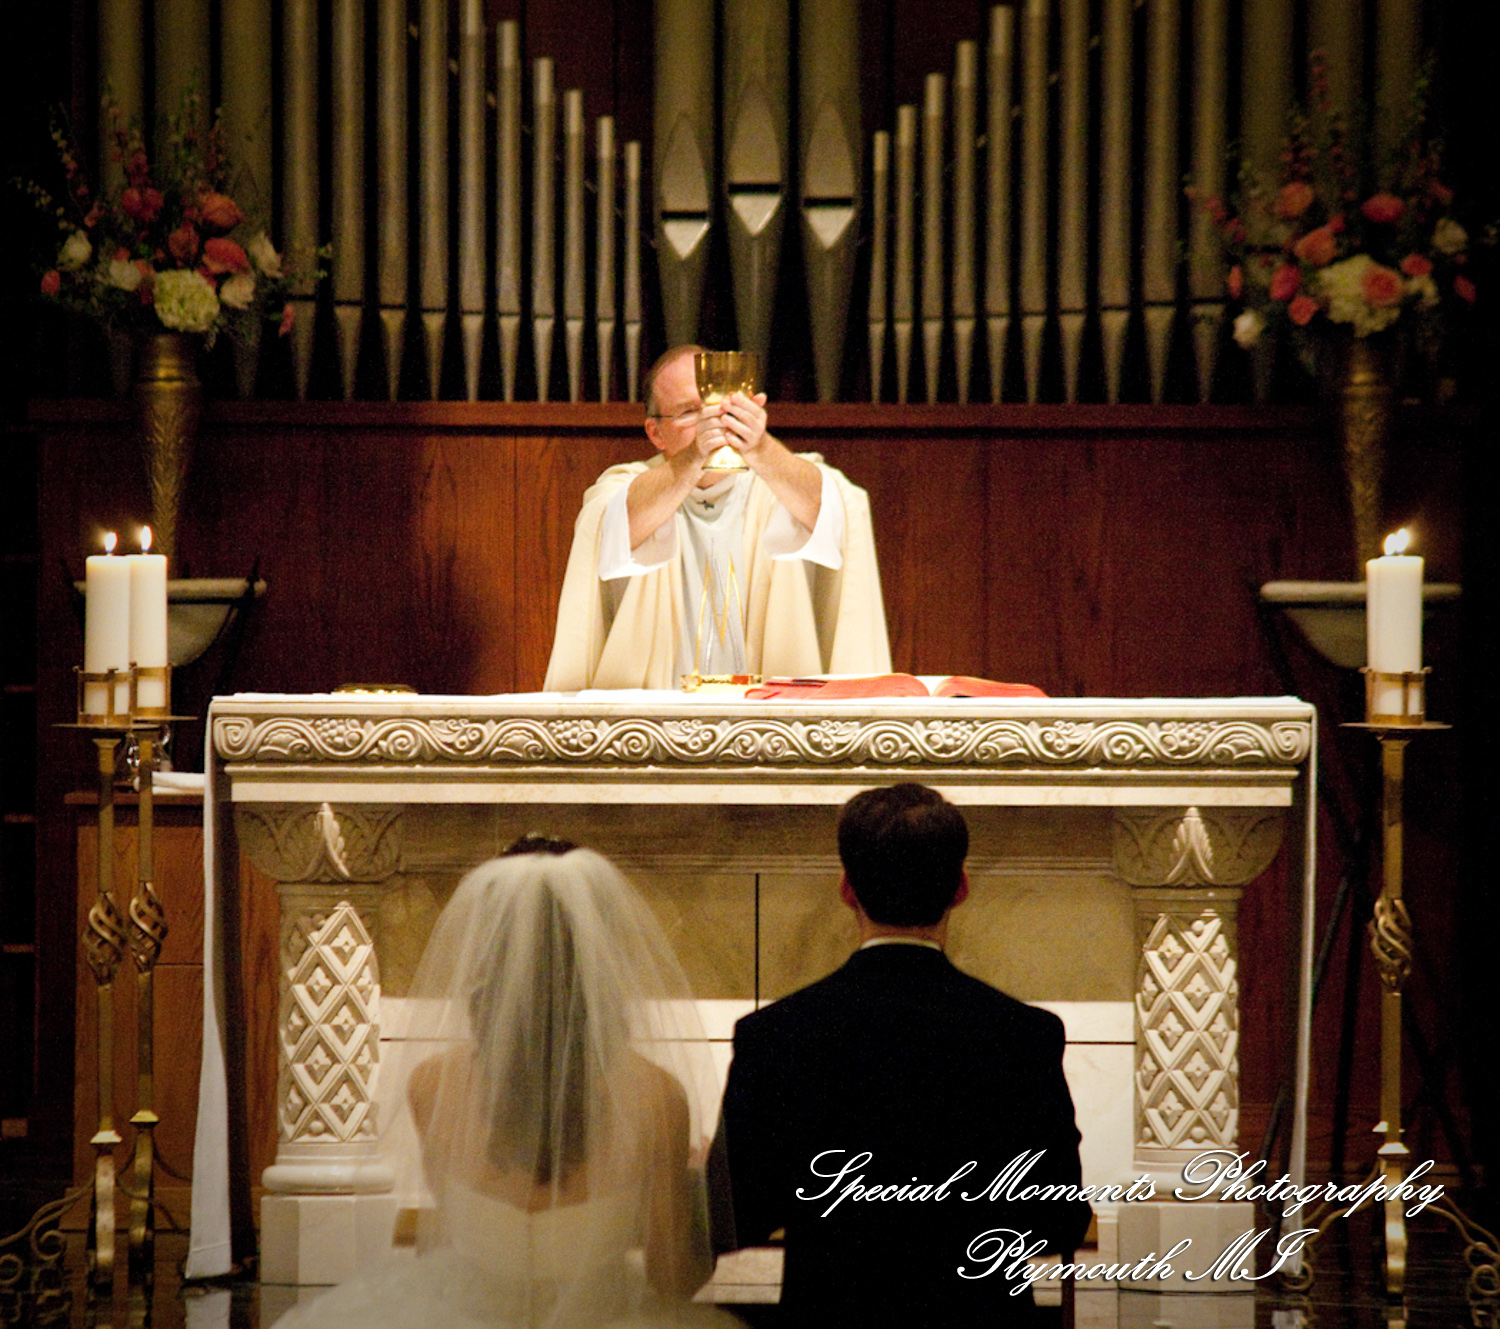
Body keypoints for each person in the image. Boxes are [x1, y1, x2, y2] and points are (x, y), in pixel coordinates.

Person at [273, 837, 739, 1329]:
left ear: (487, 950)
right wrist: (692, 1178)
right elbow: (673, 1279)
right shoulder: (655, 1095)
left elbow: (452, 1237)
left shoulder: (432, 1084)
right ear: (602, 951)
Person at [707, 784, 1093, 1326]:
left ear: (846, 890)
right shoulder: (1023, 1034)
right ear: (960, 888)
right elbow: (1060, 1218)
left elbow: (732, 1216)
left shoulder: (774, 1035)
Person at [543, 345, 890, 690]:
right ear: (655, 433)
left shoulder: (778, 481)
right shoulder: (628, 484)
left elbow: (840, 508)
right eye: (689, 412)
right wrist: (696, 456)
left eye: (719, 406)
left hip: (771, 725)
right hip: (657, 720)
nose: (712, 423)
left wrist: (761, 448)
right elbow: (608, 524)